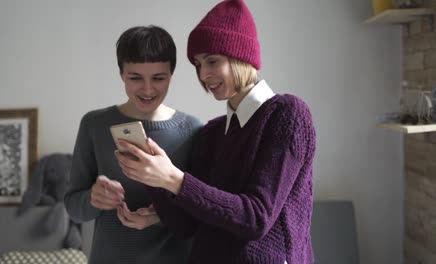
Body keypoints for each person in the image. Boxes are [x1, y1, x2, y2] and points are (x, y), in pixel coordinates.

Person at [115, 0, 317, 263]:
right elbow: (187, 227)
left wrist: (173, 179)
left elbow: (256, 218)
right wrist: (154, 177)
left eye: (212, 61)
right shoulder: (211, 133)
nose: (204, 74)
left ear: (241, 56)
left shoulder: (287, 114)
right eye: (198, 64)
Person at [64, 25, 202, 264]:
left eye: (158, 78)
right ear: (121, 74)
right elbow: (74, 207)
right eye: (135, 78)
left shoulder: (193, 130)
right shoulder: (94, 124)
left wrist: (160, 215)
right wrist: (93, 199)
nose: (147, 89)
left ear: (172, 75)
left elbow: (201, 212)